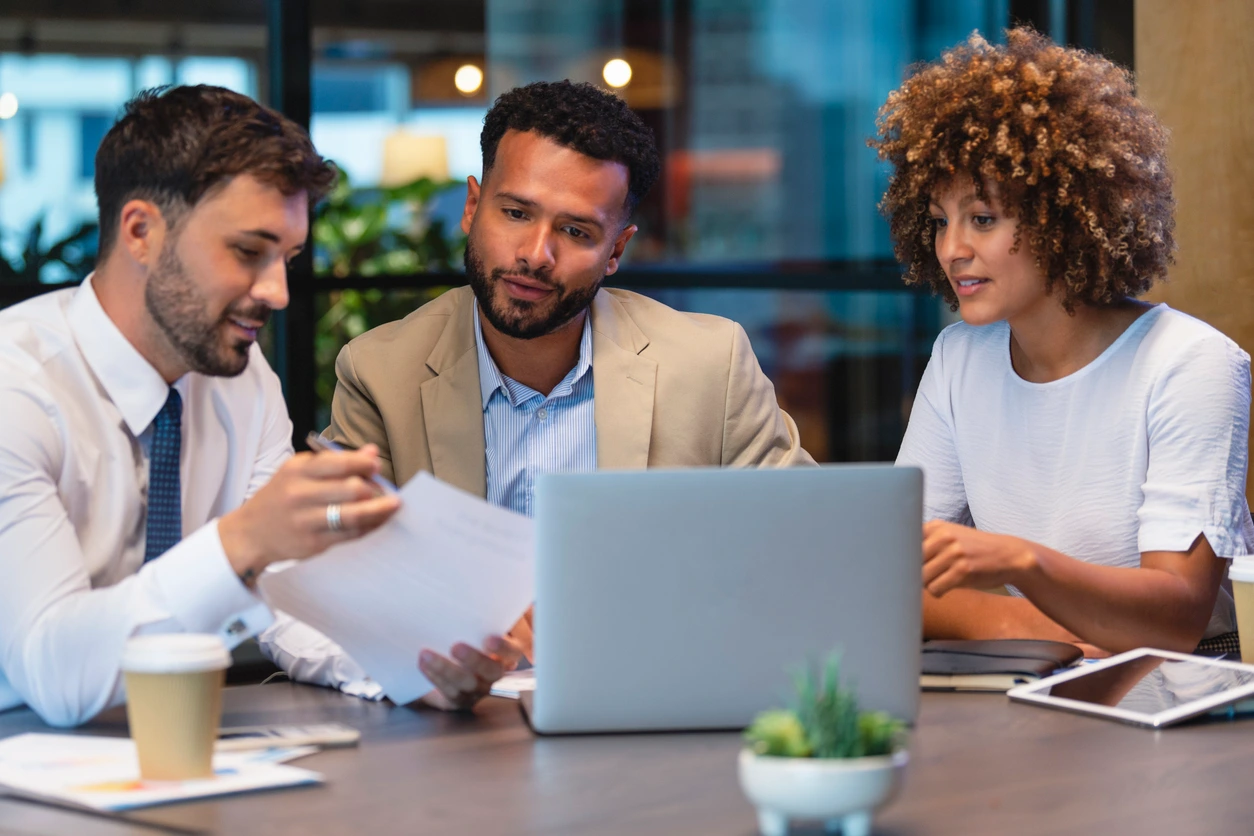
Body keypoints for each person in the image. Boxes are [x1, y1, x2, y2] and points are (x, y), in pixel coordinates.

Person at [260, 80, 814, 709]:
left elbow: (806, 550)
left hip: (654, 706)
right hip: (457, 730)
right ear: (473, 208)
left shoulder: (709, 364)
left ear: (616, 252)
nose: (535, 255)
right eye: (516, 213)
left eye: (577, 232)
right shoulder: (382, 371)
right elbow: (337, 586)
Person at [0, 85, 400, 727]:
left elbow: (287, 591)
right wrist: (242, 540)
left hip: (185, 741)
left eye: (288, 259)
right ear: (141, 232)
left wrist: (413, 663)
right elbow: (55, 672)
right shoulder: (13, 389)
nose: (277, 293)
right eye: (248, 252)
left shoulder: (242, 379)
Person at [871, 29, 1254, 656]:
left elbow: (1177, 615)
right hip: (1035, 676)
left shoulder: (1190, 364)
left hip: (1176, 697)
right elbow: (893, 577)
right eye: (940, 221)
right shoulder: (958, 360)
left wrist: (1022, 562)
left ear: (1065, 215)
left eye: (984, 218)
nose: (951, 250)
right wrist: (1056, 639)